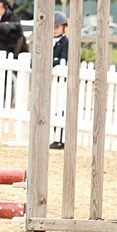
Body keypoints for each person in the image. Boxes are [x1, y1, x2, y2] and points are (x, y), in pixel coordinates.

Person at [50, 11, 70, 150]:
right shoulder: (47, 40)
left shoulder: (65, 42)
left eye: (57, 27)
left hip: (61, 81)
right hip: (51, 81)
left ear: (63, 28)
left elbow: (63, 59)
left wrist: (51, 61)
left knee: (60, 108)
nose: (55, 29)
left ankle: (60, 139)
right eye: (53, 27)